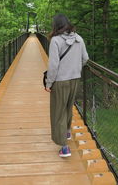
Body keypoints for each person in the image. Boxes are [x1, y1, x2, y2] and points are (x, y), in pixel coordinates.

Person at [45, 13, 89, 157]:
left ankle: (64, 147)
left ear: (56, 26)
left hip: (60, 81)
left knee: (58, 112)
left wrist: (49, 83)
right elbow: (85, 58)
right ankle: (67, 132)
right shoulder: (79, 38)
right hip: (75, 79)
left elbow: (53, 66)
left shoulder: (56, 41)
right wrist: (74, 69)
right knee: (68, 107)